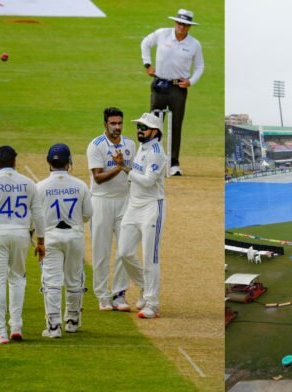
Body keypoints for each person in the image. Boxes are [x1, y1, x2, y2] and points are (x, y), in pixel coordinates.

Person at [0, 146, 45, 344]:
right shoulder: (28, 183)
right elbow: (38, 215)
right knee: (17, 280)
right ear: (15, 161)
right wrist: (41, 241)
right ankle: (16, 326)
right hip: (21, 234)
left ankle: (0, 332)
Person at [37, 143, 93, 338]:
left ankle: (53, 327)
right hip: (74, 236)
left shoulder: (40, 187)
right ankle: (72, 320)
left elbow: (35, 217)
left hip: (50, 236)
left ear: (48, 162)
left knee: (51, 282)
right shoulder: (80, 185)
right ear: (69, 162)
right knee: (74, 279)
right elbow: (88, 214)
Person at [141, 8, 204, 176]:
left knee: (176, 125)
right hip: (160, 83)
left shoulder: (194, 44)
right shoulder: (163, 34)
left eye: (185, 25)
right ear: (175, 22)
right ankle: (150, 160)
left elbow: (199, 66)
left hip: (178, 87)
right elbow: (145, 43)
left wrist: (191, 81)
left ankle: (173, 163)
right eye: (179, 23)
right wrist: (147, 65)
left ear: (189, 26)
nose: (181, 27)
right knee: (153, 123)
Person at [119, 112, 167, 319]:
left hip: (151, 207)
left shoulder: (156, 152)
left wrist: (124, 169)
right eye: (139, 126)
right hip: (134, 205)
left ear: (155, 132)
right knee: (124, 252)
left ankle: (152, 304)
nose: (139, 130)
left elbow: (148, 181)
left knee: (150, 258)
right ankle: (144, 287)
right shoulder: (143, 147)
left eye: (144, 127)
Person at [86, 107, 134, 312]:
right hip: (101, 201)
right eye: (113, 123)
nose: (117, 127)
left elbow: (134, 172)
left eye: (120, 123)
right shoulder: (96, 146)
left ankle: (119, 294)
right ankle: (103, 296)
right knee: (101, 251)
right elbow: (98, 177)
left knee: (125, 250)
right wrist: (119, 167)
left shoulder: (130, 144)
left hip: (124, 201)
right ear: (105, 124)